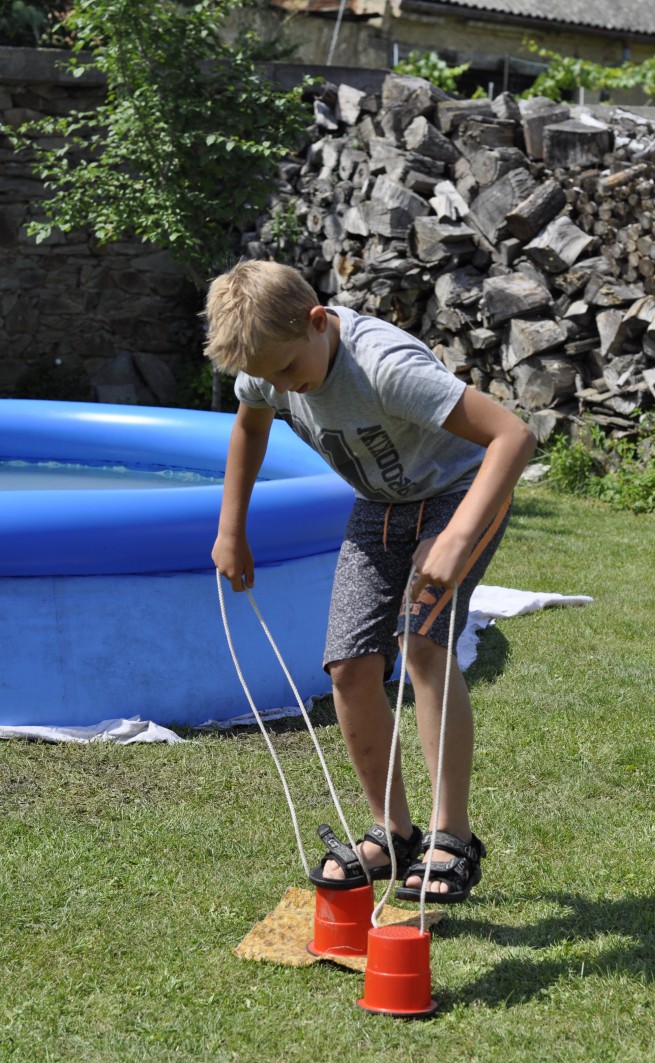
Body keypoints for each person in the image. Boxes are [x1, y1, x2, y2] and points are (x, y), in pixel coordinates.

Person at [204, 259, 536, 904]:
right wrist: (231, 529)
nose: (282, 387)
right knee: (350, 666)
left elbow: (512, 436)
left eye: (289, 371)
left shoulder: (384, 366)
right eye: (270, 378)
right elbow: (248, 426)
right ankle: (394, 834)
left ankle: (452, 839)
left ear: (317, 321)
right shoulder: (269, 362)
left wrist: (457, 536)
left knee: (422, 643)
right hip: (381, 506)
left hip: (459, 494)